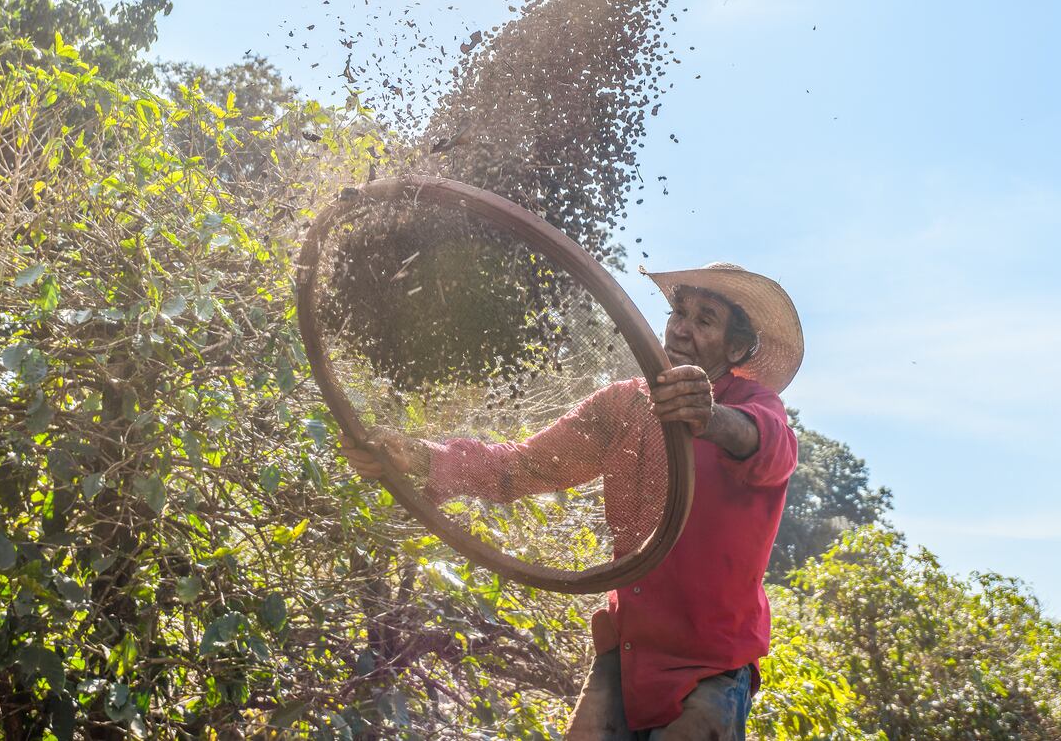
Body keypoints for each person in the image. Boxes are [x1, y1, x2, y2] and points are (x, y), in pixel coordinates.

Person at [344, 262, 804, 741]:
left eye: (705, 319)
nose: (682, 328)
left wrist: (709, 418)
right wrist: (419, 457)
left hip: (709, 664)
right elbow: (517, 467)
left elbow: (769, 445)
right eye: (679, 311)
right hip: (627, 653)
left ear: (734, 348)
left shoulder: (754, 408)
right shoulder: (624, 405)